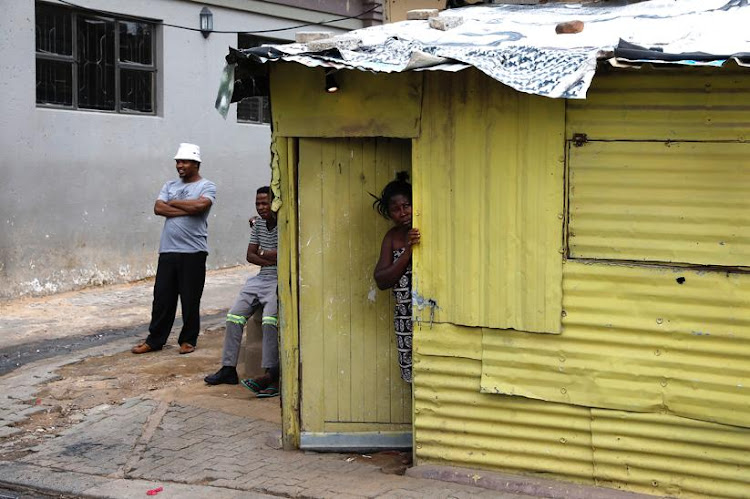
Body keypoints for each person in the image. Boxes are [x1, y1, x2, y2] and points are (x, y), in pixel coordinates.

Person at [132, 143, 216, 355]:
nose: (180, 165)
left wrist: (175, 202)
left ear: (196, 163)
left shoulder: (207, 186)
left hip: (194, 252)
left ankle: (188, 340)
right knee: (162, 298)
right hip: (168, 250)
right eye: (178, 161)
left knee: (190, 298)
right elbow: (158, 208)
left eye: (184, 162)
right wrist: (186, 207)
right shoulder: (169, 184)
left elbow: (200, 207)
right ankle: (155, 340)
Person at [204, 186, 280, 398]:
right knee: (234, 316)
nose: (261, 207)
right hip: (261, 277)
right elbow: (250, 255)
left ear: (275, 203)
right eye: (258, 204)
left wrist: (265, 253)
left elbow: (286, 255)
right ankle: (228, 368)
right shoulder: (257, 225)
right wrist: (271, 255)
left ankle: (270, 374)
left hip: (278, 279)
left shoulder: (284, 225)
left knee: (269, 321)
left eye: (265, 203)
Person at [373, 172, 420, 384]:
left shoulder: (425, 229)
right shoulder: (392, 238)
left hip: (429, 317)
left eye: (406, 206)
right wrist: (408, 252)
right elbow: (382, 280)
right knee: (411, 377)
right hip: (404, 321)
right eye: (396, 209)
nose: (403, 213)